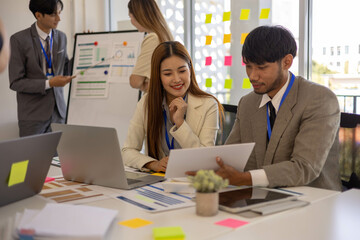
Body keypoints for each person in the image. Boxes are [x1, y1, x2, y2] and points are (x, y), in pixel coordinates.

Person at [188, 25, 342, 191]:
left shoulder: (319, 99)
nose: (252, 76)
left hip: (313, 199)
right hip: (263, 195)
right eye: (248, 66)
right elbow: (231, 158)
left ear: (287, 62)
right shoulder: (248, 103)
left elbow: (304, 168)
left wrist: (245, 179)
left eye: (261, 67)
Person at [122, 41, 223, 172]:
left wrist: (180, 123)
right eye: (168, 74)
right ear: (158, 76)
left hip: (192, 180)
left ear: (190, 69)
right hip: (158, 181)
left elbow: (205, 160)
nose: (176, 79)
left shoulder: (208, 104)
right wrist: (153, 164)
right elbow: (127, 151)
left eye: (182, 71)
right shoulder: (147, 102)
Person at [9, 0, 74, 137]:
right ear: (38, 15)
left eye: (60, 13)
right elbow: (16, 82)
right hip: (32, 116)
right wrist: (49, 83)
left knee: (60, 158)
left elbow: (66, 70)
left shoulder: (61, 37)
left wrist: (84, 46)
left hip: (59, 113)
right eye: (53, 15)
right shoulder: (18, 40)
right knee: (33, 158)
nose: (59, 19)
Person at [128, 0, 173, 92]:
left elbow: (135, 81)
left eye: (130, 17)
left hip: (156, 101)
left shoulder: (153, 38)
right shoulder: (164, 35)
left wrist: (144, 85)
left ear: (137, 16)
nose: (131, 22)